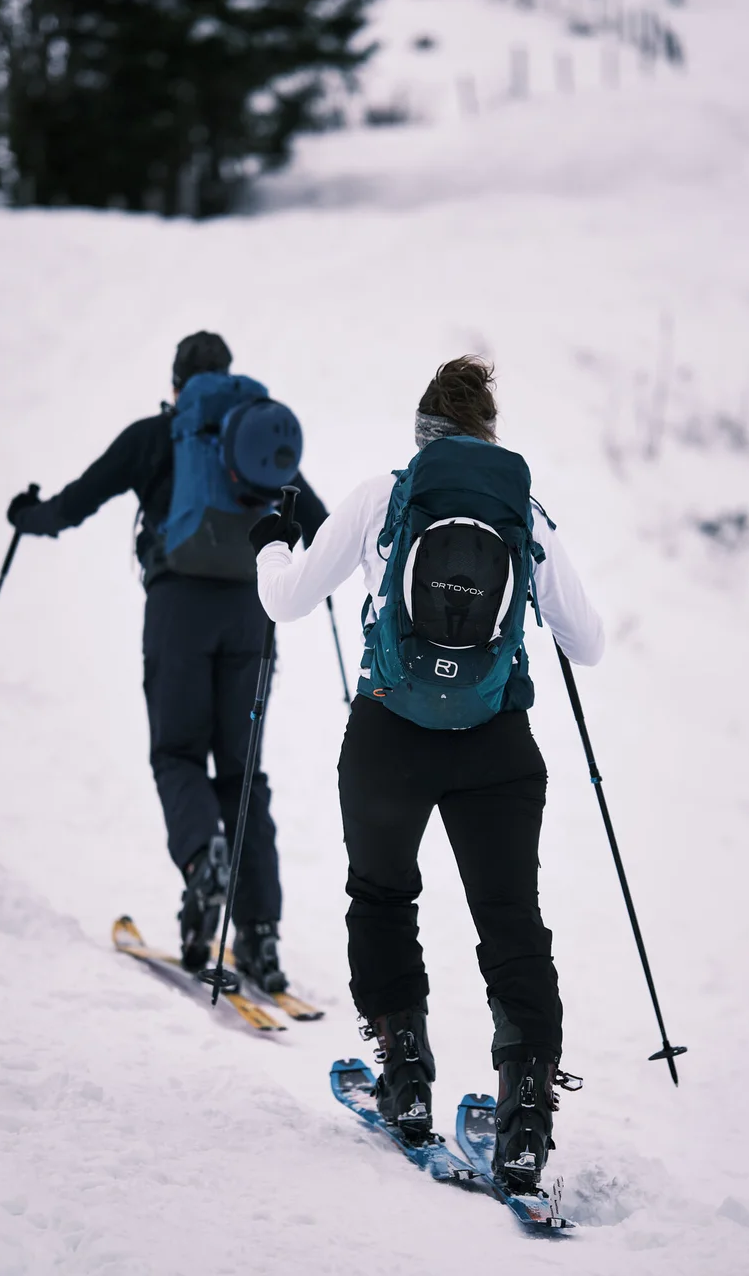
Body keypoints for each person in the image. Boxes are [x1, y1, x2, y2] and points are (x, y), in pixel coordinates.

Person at [248, 355, 604, 1194]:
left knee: (380, 895)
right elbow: (587, 641)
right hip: (496, 746)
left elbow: (287, 602)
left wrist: (270, 542)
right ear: (487, 436)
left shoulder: (381, 496)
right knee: (512, 922)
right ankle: (525, 1120)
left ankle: (405, 1076)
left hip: (388, 736)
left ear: (421, 434)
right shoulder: (524, 512)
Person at [5, 331, 327, 992]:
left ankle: (201, 857)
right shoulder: (256, 436)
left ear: (177, 383)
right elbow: (318, 524)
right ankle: (261, 937)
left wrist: (27, 515)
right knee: (243, 775)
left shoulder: (158, 435)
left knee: (177, 755)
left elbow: (74, 504)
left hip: (179, 610)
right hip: (252, 614)